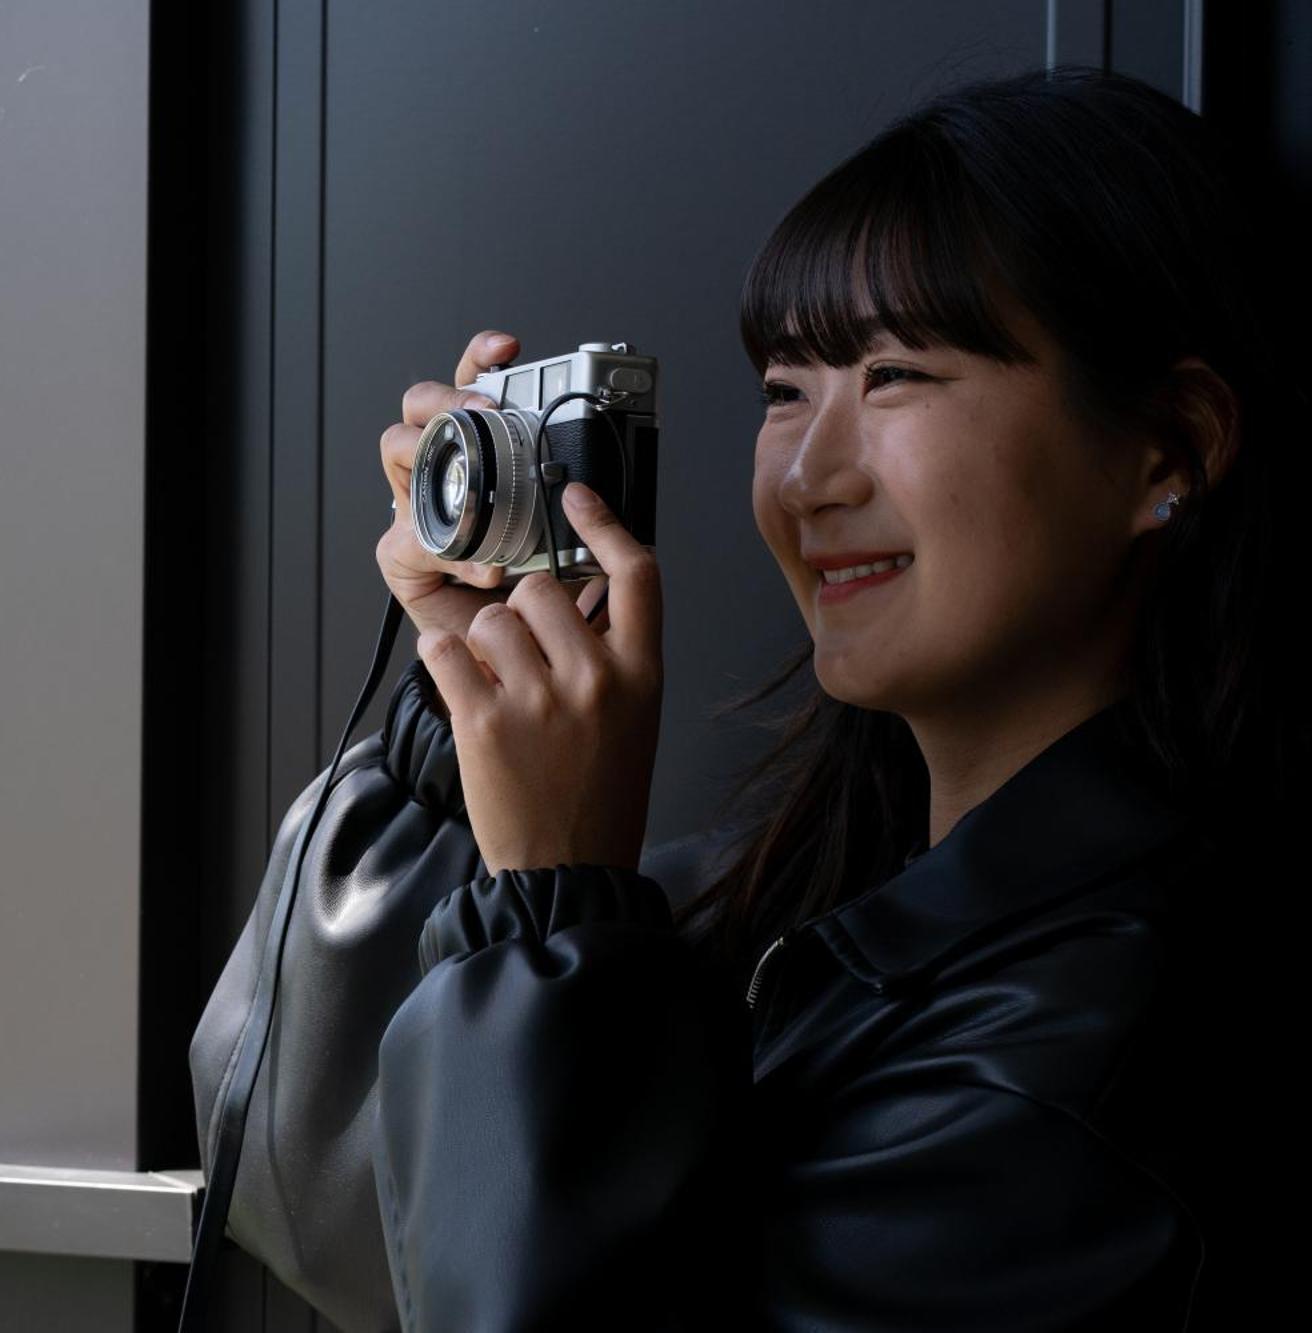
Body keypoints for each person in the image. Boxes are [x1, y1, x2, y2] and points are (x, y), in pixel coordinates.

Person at [189, 64, 1302, 1331]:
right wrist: (458, 726)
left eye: (896, 378)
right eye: (785, 389)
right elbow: (315, 1204)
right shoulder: (781, 909)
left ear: (1169, 449)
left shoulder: (1093, 1062)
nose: (808, 476)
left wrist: (552, 915)